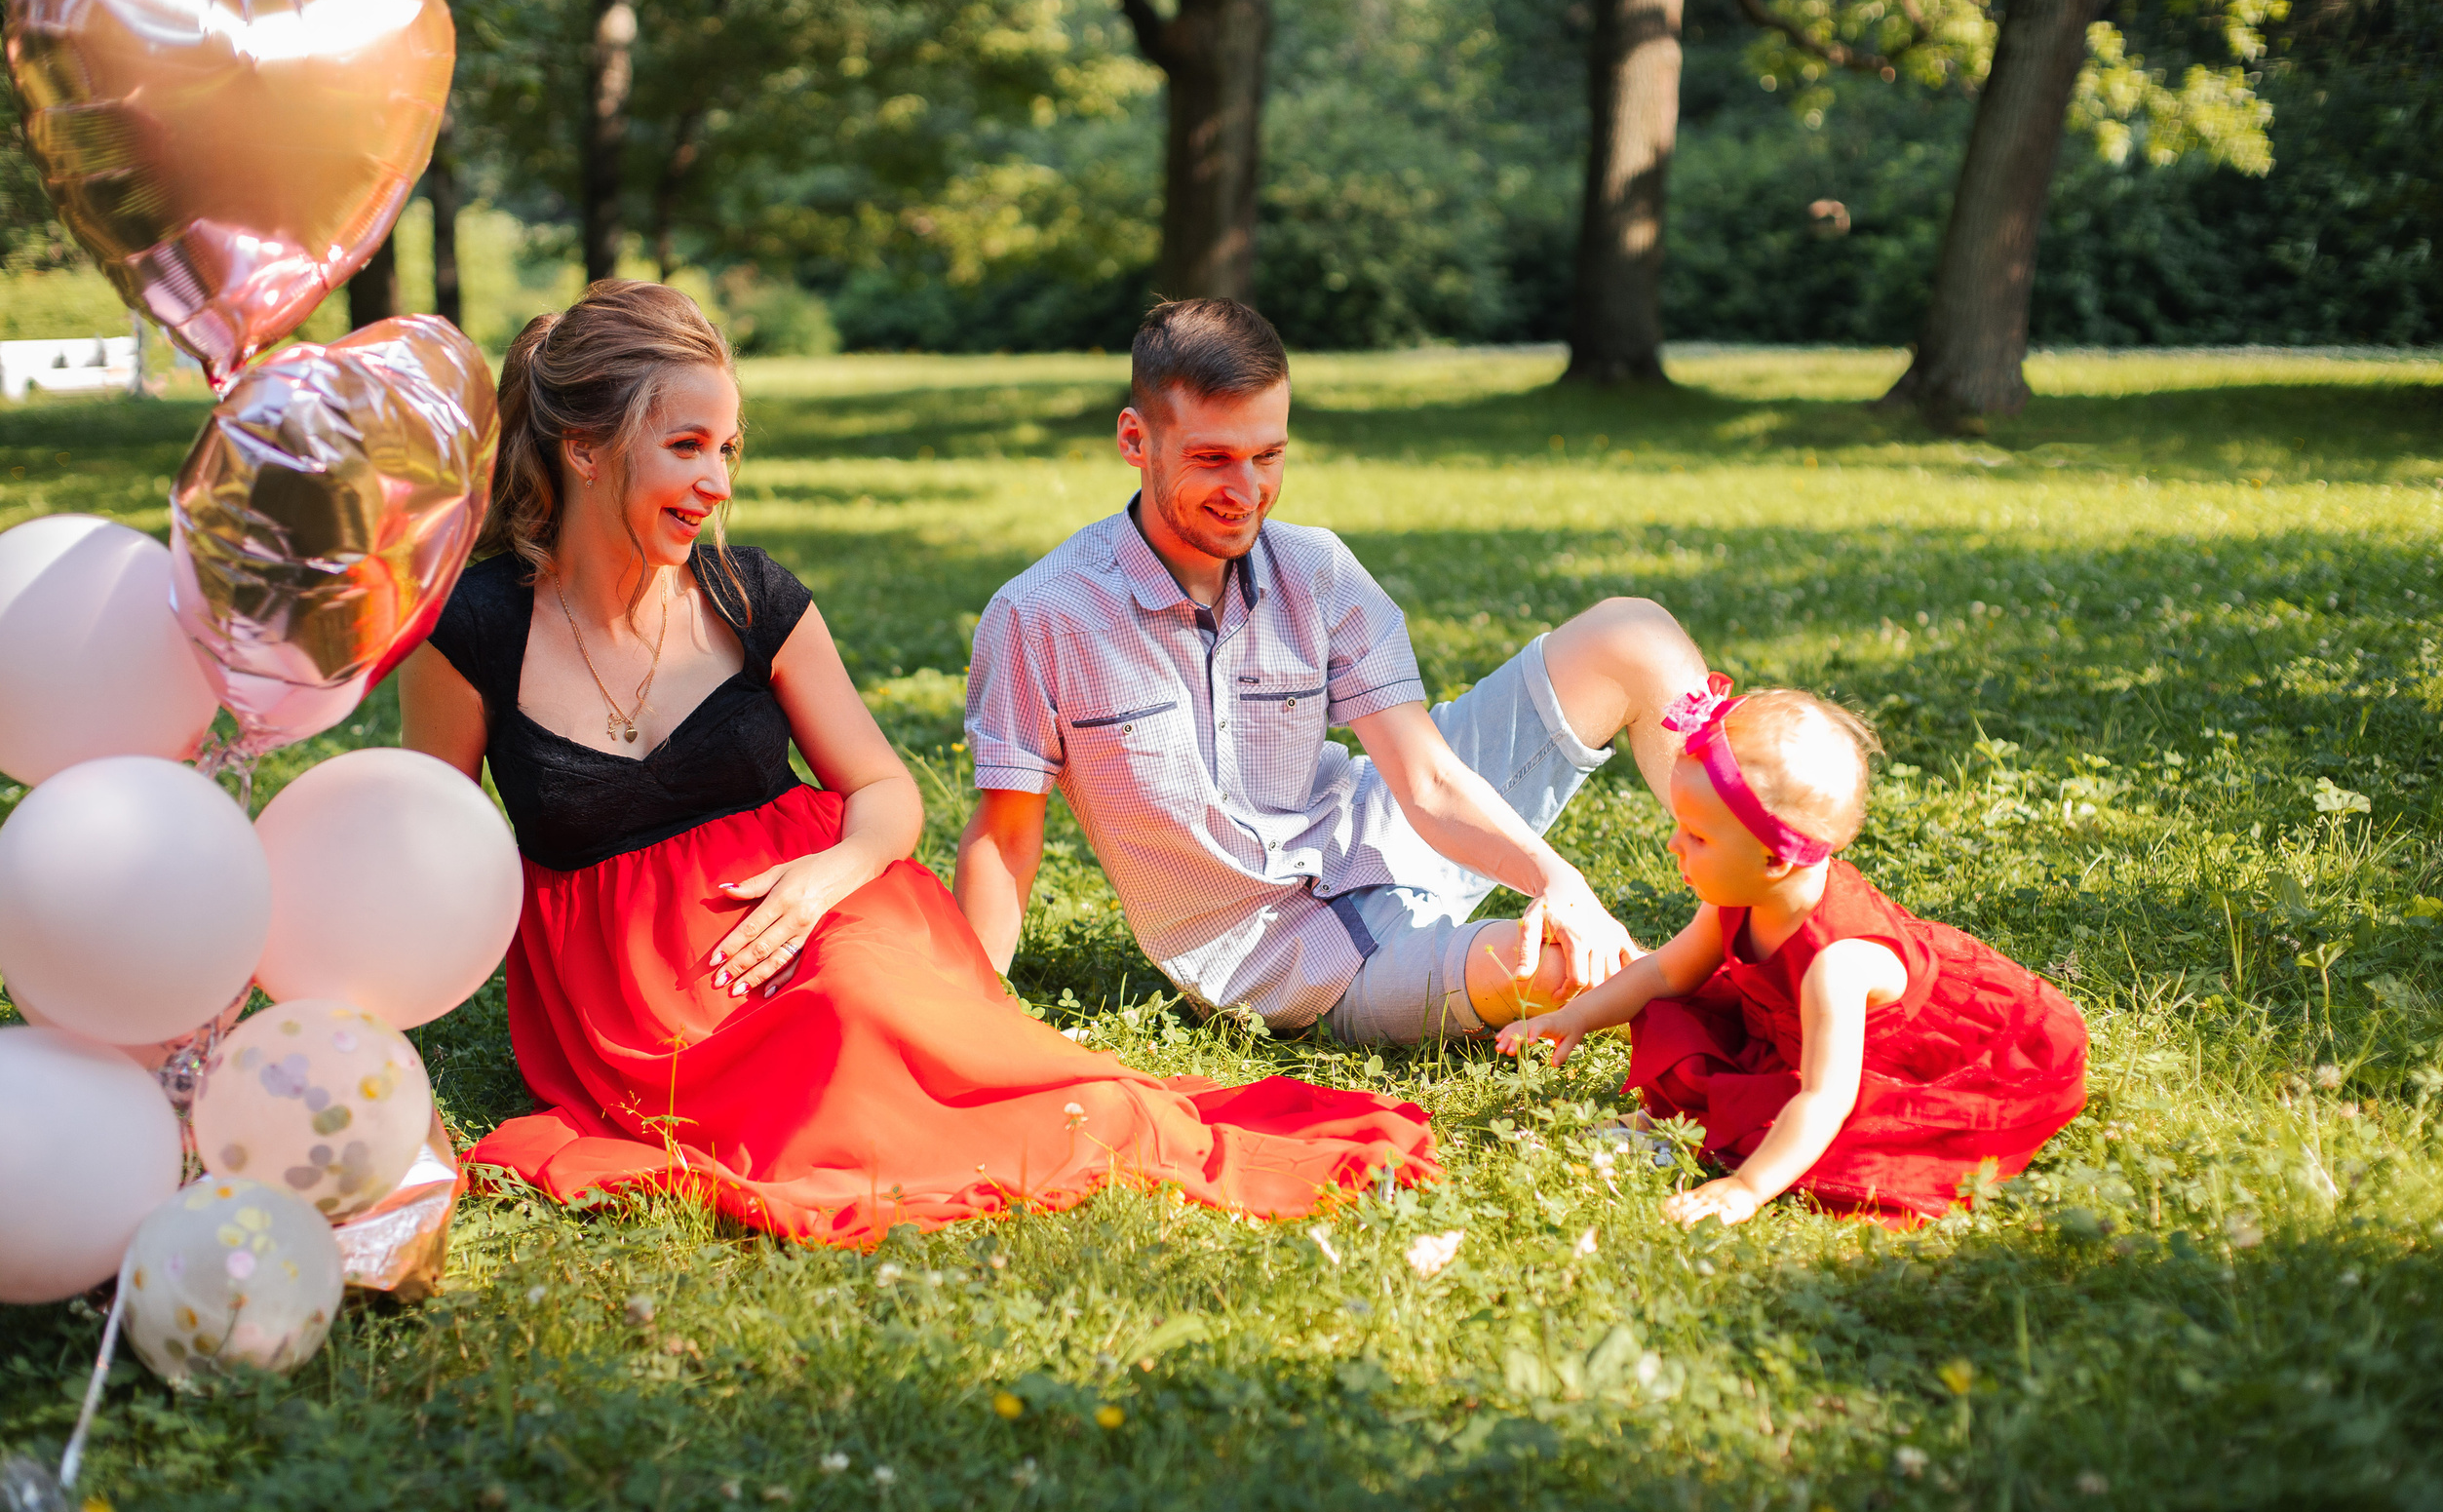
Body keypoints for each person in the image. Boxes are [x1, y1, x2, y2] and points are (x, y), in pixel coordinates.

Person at [399, 280, 1437, 1246]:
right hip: (643, 991)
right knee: (831, 1065)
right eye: (686, 447)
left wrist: (821, 884)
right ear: (583, 449)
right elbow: (425, 849)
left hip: (832, 900)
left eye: (728, 448)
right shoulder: (478, 629)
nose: (717, 482)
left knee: (862, 1010)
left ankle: (1105, 1117)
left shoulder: (750, 597)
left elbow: (887, 792)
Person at [957, 298, 1711, 1045]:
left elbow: (1428, 780)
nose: (1246, 491)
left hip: (1388, 826)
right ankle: (1723, 1000)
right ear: (1135, 438)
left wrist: (1557, 879)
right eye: (1213, 457)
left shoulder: (1317, 568)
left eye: (1269, 455)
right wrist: (969, 1015)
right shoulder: (1040, 615)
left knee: (1631, 633)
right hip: (1288, 960)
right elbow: (1006, 838)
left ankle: (1753, 890)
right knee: (1554, 968)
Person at [1495, 678, 2088, 1225]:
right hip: (1791, 1031)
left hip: (1896, 1059)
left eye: (1697, 836)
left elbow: (1826, 1097)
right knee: (1670, 1011)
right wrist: (1575, 1014)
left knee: (1837, 1148)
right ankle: (1681, 1122)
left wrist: (1748, 1188)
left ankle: (1702, 1135)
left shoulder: (1837, 964)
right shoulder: (1736, 896)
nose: (1674, 844)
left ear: (1776, 858)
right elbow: (1663, 971)